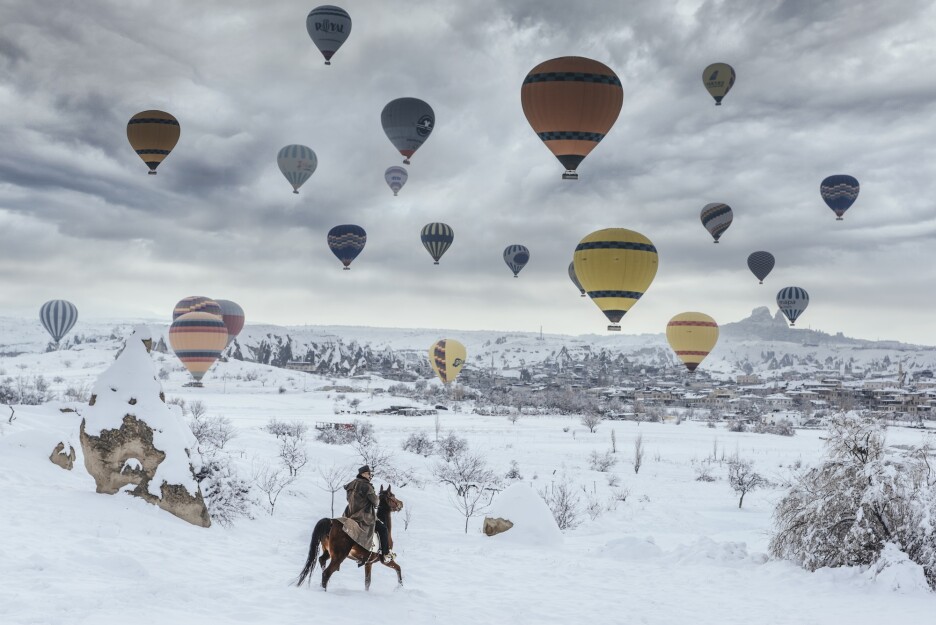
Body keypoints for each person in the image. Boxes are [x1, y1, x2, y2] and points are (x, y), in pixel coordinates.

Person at [344, 465, 391, 564]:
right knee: (383, 529)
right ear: (363, 474)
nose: (370, 476)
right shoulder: (367, 486)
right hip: (363, 517)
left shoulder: (351, 484)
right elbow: (376, 503)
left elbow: (348, 499)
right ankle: (385, 554)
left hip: (349, 515)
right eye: (369, 473)